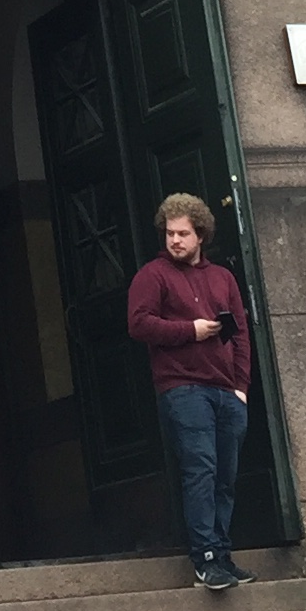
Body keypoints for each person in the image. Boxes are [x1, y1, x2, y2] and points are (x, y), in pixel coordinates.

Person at [125, 189, 252, 588]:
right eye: (169, 233)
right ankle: (206, 558)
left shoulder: (223, 278)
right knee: (201, 469)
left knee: (225, 477)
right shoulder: (153, 275)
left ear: (201, 235)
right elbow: (138, 323)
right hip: (183, 388)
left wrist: (241, 387)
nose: (175, 241)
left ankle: (223, 554)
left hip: (226, 391)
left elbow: (240, 333)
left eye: (183, 234)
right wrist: (189, 331)